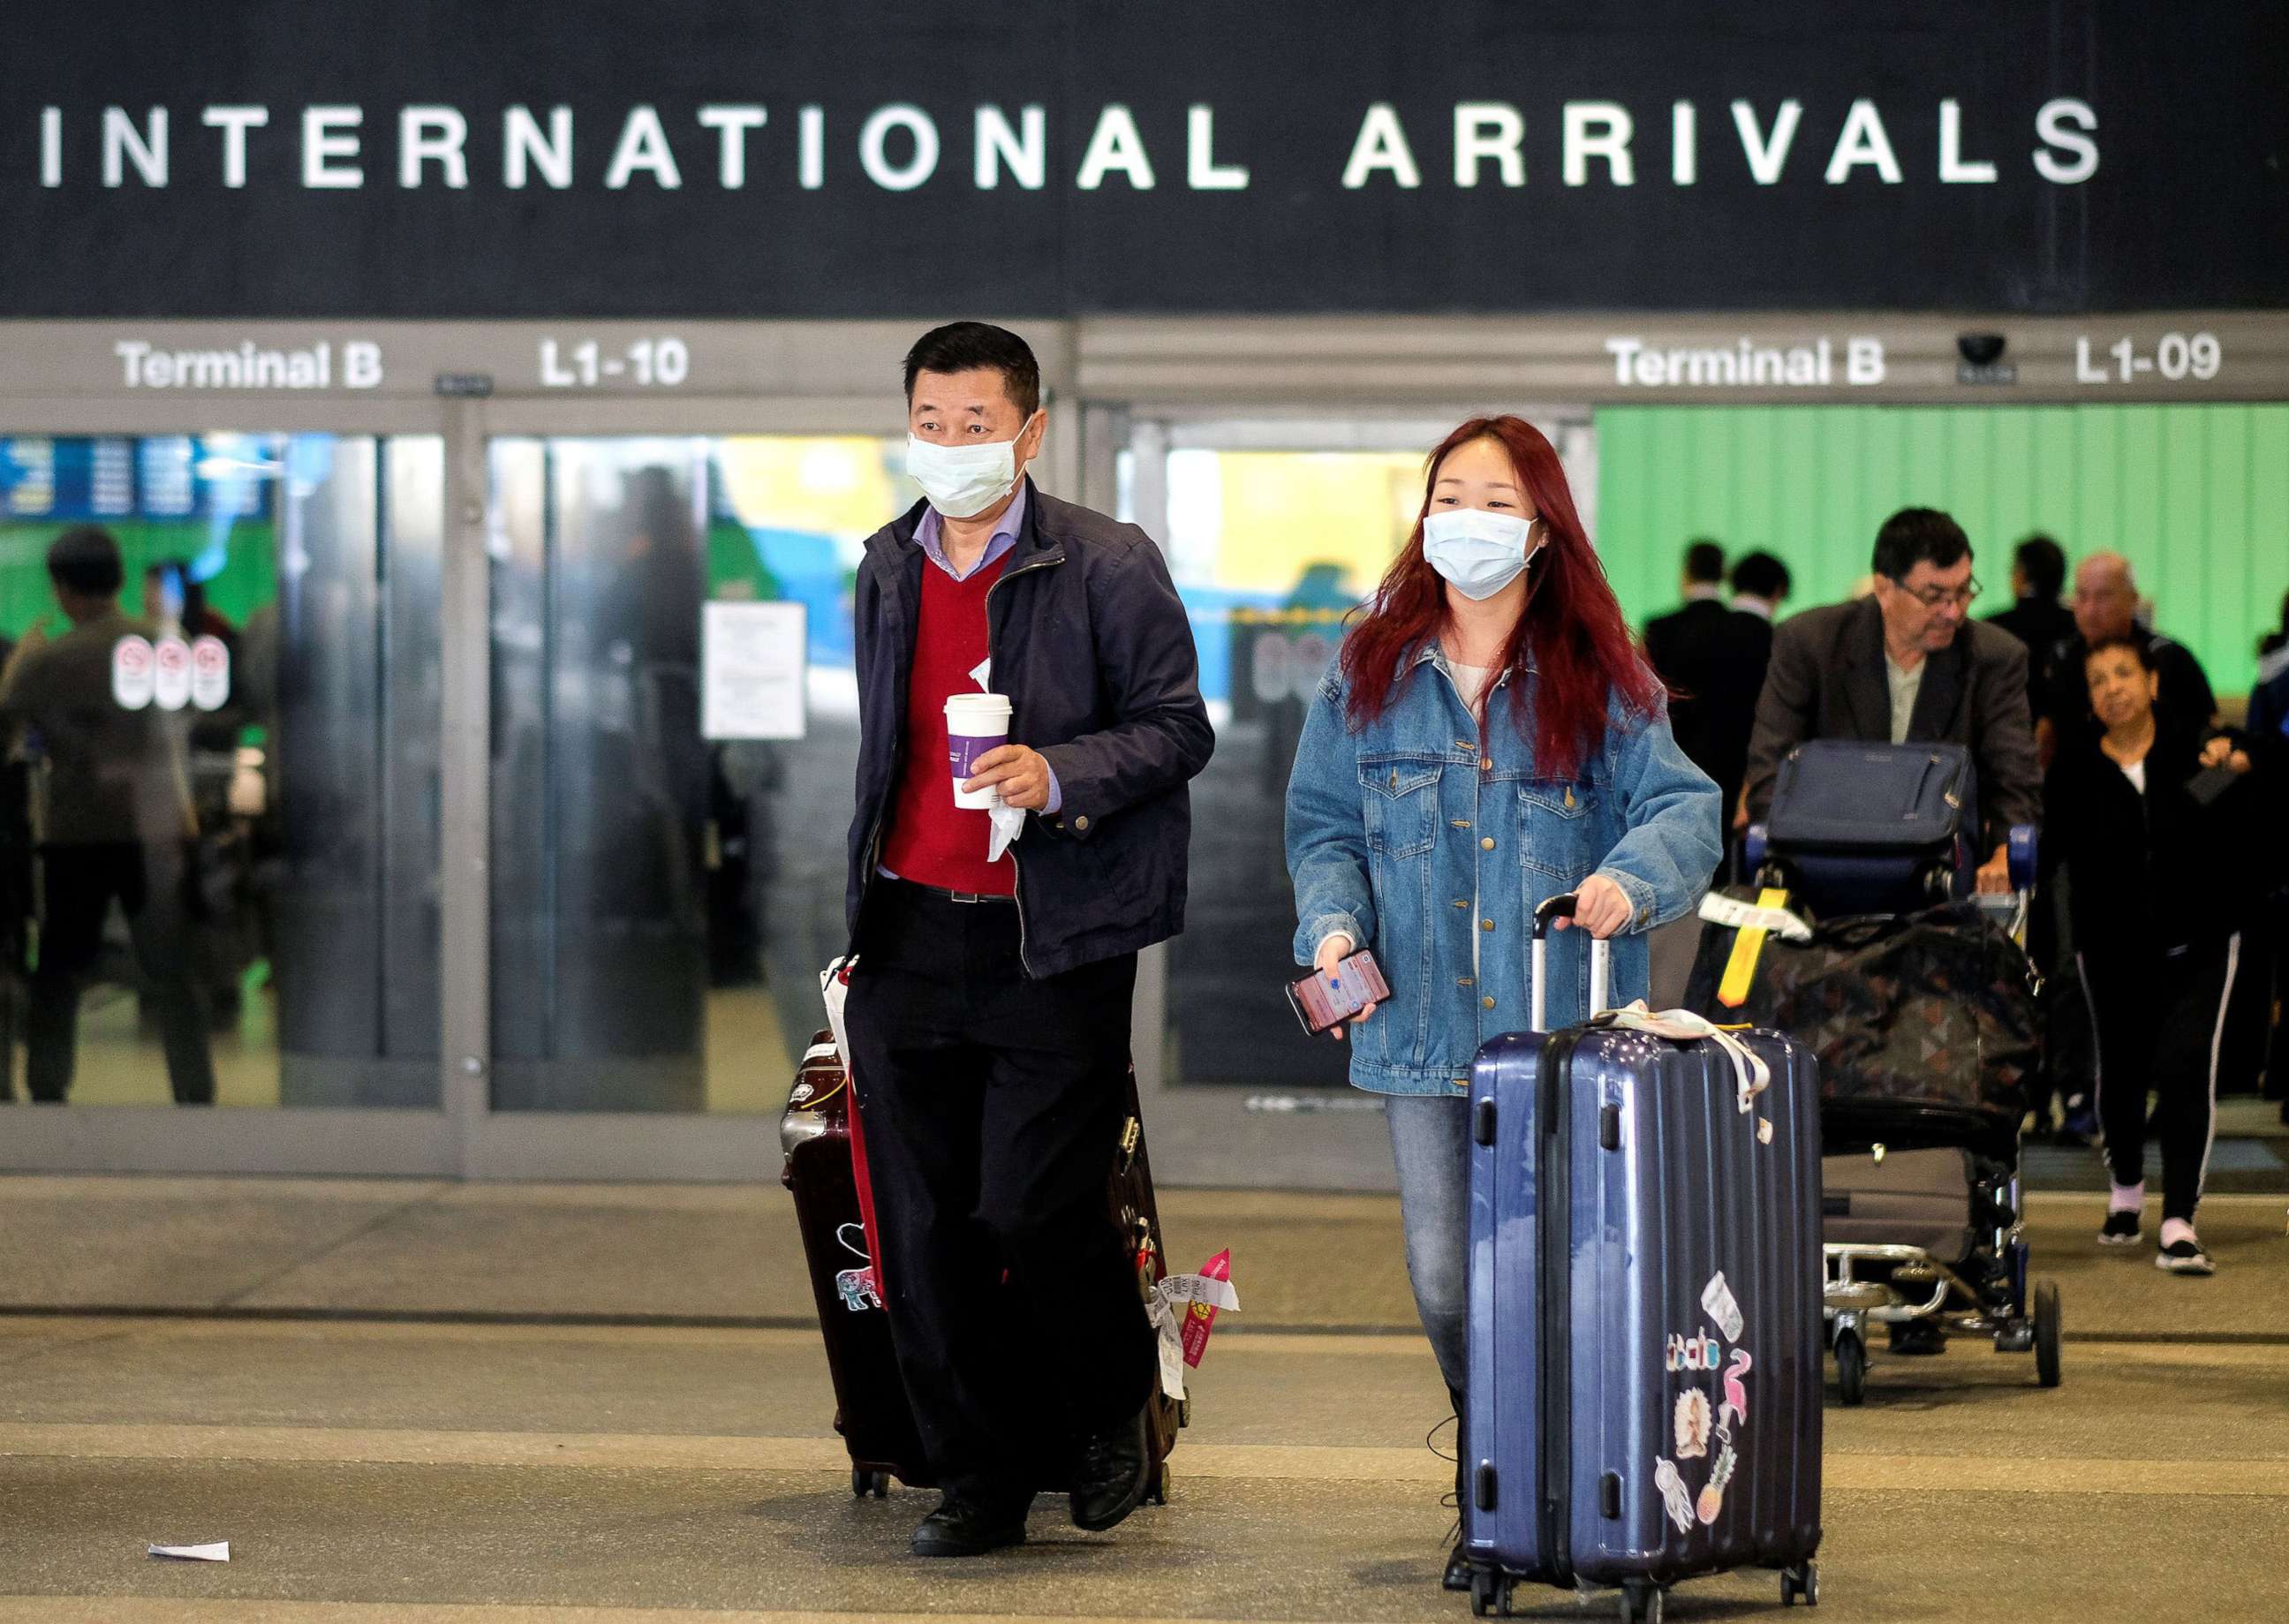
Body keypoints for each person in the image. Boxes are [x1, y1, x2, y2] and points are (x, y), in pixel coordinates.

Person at [1284, 415, 1720, 1589]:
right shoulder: (1366, 668)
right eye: (1450, 495)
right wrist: (1330, 921)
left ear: (1540, 532)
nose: (1466, 520)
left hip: (1563, 1033)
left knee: (1565, 1273)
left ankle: (1544, 1490)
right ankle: (1500, 1463)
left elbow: (1687, 810)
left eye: (1494, 501)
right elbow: (1325, 825)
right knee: (1447, 1277)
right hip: (1419, 1029)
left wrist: (1629, 882)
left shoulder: (1602, 676)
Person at [840, 322, 1214, 1558]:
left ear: (1031, 432)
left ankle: (1112, 1397)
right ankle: (976, 1475)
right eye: (932, 424)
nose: (952, 447)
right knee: (922, 1229)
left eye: (978, 425)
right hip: (905, 930)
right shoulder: (886, 564)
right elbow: (883, 750)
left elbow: (1175, 729)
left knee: (1026, 1205)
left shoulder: (1107, 561)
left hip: (1051, 937)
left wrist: (1056, 770)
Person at [2041, 635, 2260, 1274]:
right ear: (2088, 700)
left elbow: (2242, 789)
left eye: (2124, 673)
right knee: (2124, 1074)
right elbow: (2049, 855)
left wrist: (2238, 756)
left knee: (2187, 1065)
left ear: (2152, 682)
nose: (2114, 687)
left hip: (2200, 942)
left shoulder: (2196, 749)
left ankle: (2179, 1219)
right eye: (2099, 680)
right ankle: (2127, 1189)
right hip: (2110, 951)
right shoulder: (2076, 770)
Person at [0, 526, 216, 1104]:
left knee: (61, 972)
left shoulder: (47, 662)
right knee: (172, 972)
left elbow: (3, 736)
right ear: (119, 579)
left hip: (78, 833)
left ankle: (48, 1088)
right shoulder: (161, 645)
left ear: (62, 586)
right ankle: (195, 1094)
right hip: (155, 829)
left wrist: (18, 661)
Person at [1743, 508, 2040, 894]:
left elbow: (2015, 776)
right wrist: (1784, 851)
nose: (1954, 612)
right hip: (1825, 860)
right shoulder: (1811, 643)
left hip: (1940, 871)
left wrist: (2004, 853)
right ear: (1884, 589)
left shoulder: (1994, 657)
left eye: (1964, 591)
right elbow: (1772, 763)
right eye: (1934, 596)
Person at [2047, 552, 2216, 758]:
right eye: (2081, 596)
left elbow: (2208, 734)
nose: (2090, 610)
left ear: (2133, 599)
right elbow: (2047, 735)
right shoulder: (2062, 657)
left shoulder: (2168, 658)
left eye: (2103, 597)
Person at [1642, 540, 1728, 791]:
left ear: (1686, 572)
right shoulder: (1740, 630)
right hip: (1728, 754)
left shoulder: (1659, 628)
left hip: (1674, 751)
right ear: (1724, 573)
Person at [1983, 533, 2077, 736]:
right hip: (2069, 739)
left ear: (2021, 575)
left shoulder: (1990, 629)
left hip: (2003, 737)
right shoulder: (2078, 627)